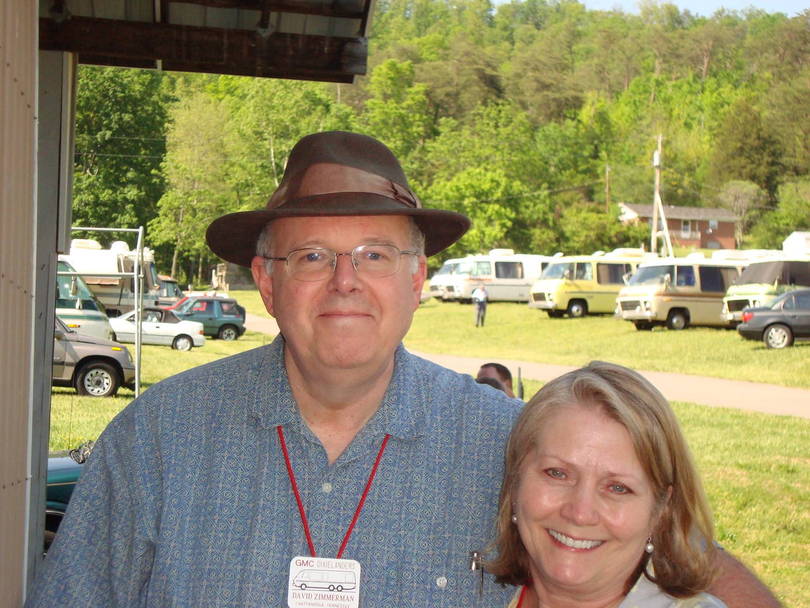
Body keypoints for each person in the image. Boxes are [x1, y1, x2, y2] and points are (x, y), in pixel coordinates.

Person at [29, 132, 778, 608]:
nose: (346, 281)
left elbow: (662, 548)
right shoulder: (157, 440)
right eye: (314, 255)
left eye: (377, 255)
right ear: (266, 280)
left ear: (418, 280)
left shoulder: (512, 446)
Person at [489, 361, 734, 607]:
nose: (580, 513)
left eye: (618, 488)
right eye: (557, 473)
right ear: (516, 478)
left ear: (661, 510)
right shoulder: (471, 592)